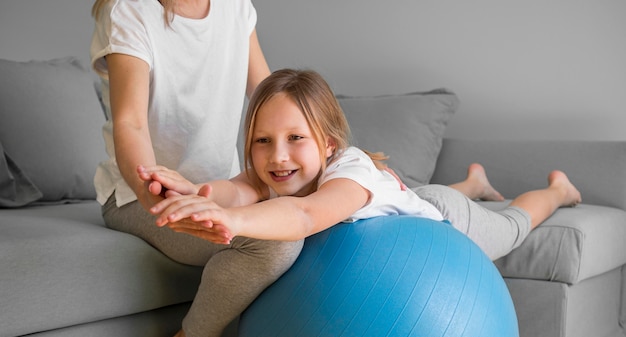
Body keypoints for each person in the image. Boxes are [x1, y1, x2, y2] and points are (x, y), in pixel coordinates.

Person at [141, 68, 582, 263]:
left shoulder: (349, 168)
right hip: (413, 202)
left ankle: (557, 191)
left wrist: (231, 220)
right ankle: (473, 181)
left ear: (328, 144)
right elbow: (236, 190)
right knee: (411, 193)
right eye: (262, 141)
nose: (277, 156)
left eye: (296, 139)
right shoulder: (273, 173)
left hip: (448, 219)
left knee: (513, 225)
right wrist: (197, 193)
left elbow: (305, 214)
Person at [90, 1, 303, 336]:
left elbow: (271, 99)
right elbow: (130, 123)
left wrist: (347, 166)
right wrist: (152, 192)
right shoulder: (129, 9)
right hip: (137, 195)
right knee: (276, 242)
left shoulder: (235, 7)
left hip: (226, 190)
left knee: (308, 221)